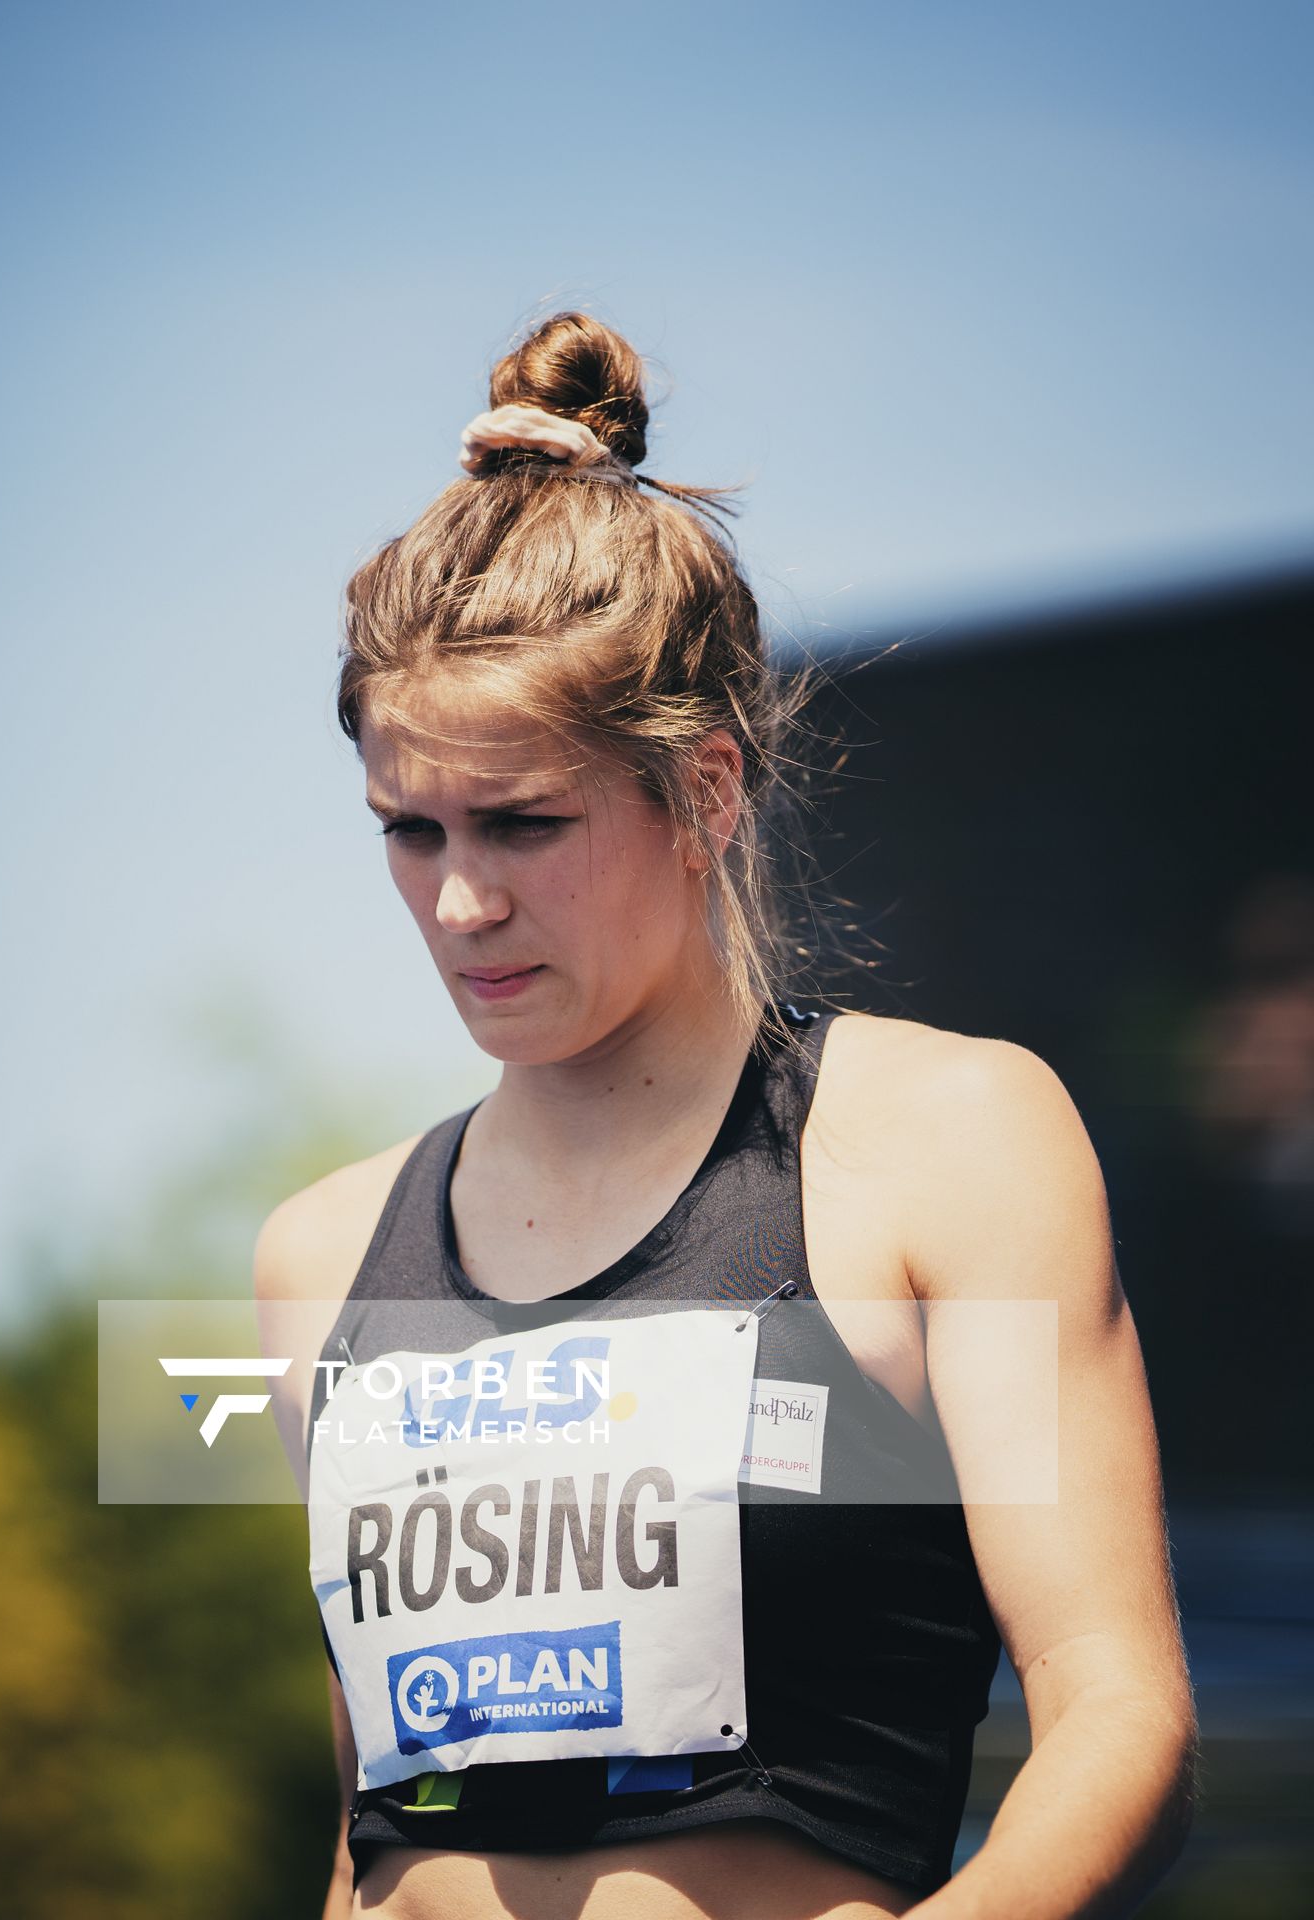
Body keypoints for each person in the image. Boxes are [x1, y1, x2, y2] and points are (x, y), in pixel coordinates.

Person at [254, 311, 1198, 1920]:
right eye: (408, 831)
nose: (462, 900)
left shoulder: (945, 1145)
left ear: (705, 790)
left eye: (526, 821)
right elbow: (372, 1838)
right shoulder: (320, 1255)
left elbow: (1122, 1719)